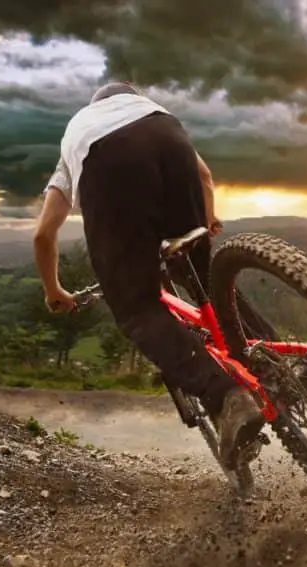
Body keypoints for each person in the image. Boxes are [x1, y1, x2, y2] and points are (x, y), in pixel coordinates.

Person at [32, 81, 264, 472]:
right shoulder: (152, 112)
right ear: (129, 96)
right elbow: (204, 177)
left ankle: (226, 397)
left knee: (137, 307)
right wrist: (205, 226)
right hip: (173, 143)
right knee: (206, 280)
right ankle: (276, 365)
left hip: (109, 162)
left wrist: (53, 290)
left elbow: (43, 234)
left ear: (95, 104)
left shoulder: (81, 130)